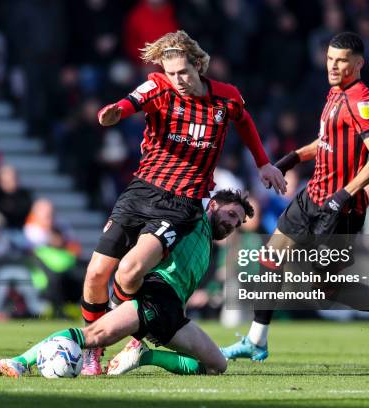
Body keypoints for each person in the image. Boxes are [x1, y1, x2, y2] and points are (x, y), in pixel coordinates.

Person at [80, 30, 286, 374]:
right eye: (171, 73)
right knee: (96, 273)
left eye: (183, 73)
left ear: (198, 65)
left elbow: (245, 122)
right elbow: (130, 102)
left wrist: (264, 162)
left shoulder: (226, 99)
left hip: (180, 203)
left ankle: (126, 331)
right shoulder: (158, 86)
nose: (177, 80)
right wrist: (114, 111)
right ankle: (93, 352)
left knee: (130, 271)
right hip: (141, 191)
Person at [221, 32, 369, 362]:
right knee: (270, 258)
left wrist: (343, 195)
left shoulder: (361, 99)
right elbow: (327, 141)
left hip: (340, 211)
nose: (332, 65)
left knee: (326, 289)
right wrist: (289, 160)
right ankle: (256, 340)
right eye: (330, 58)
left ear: (359, 64)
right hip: (312, 196)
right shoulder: (334, 93)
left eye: (341, 60)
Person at [0, 189, 254, 378]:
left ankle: (146, 356)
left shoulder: (208, 247)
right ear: (213, 204)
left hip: (173, 315)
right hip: (150, 298)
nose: (232, 223)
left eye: (237, 221)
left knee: (218, 365)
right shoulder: (191, 213)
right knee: (93, 336)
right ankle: (19, 362)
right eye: (230, 214)